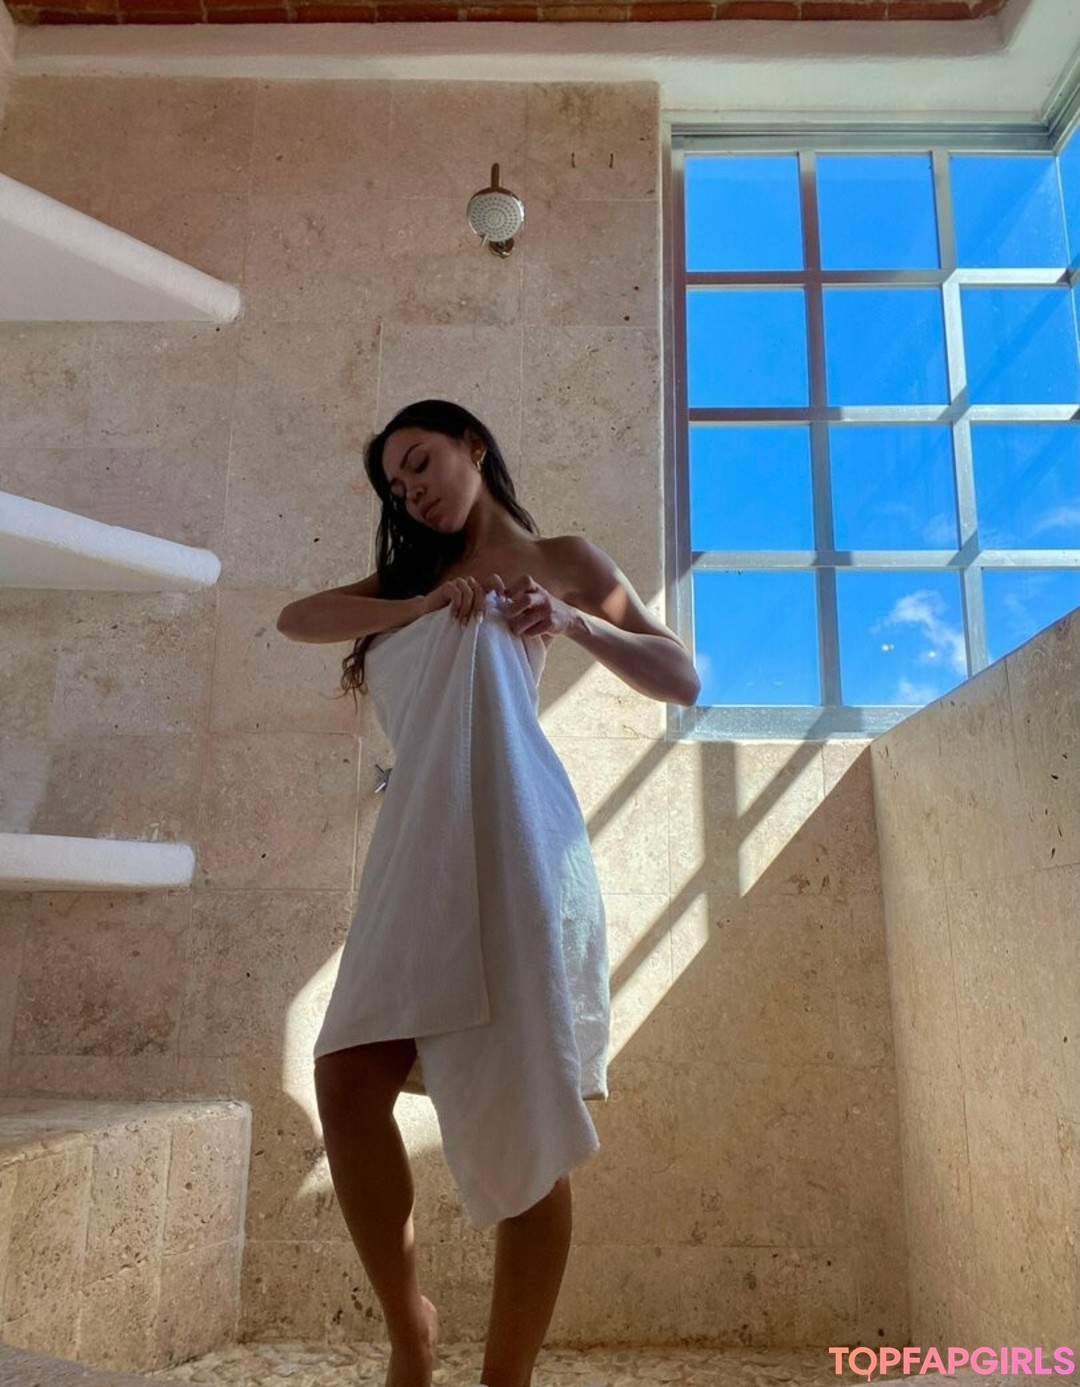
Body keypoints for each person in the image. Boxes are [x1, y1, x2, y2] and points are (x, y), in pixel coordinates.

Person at [276, 400, 699, 1387]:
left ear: (474, 444)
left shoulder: (562, 558)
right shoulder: (408, 583)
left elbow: (680, 676)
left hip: (519, 844)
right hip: (415, 850)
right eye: (396, 486)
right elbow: (298, 618)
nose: (410, 492)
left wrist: (573, 619)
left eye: (420, 463)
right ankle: (411, 1330)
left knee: (526, 1118)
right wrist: (419, 604)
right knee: (346, 1080)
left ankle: (505, 1378)